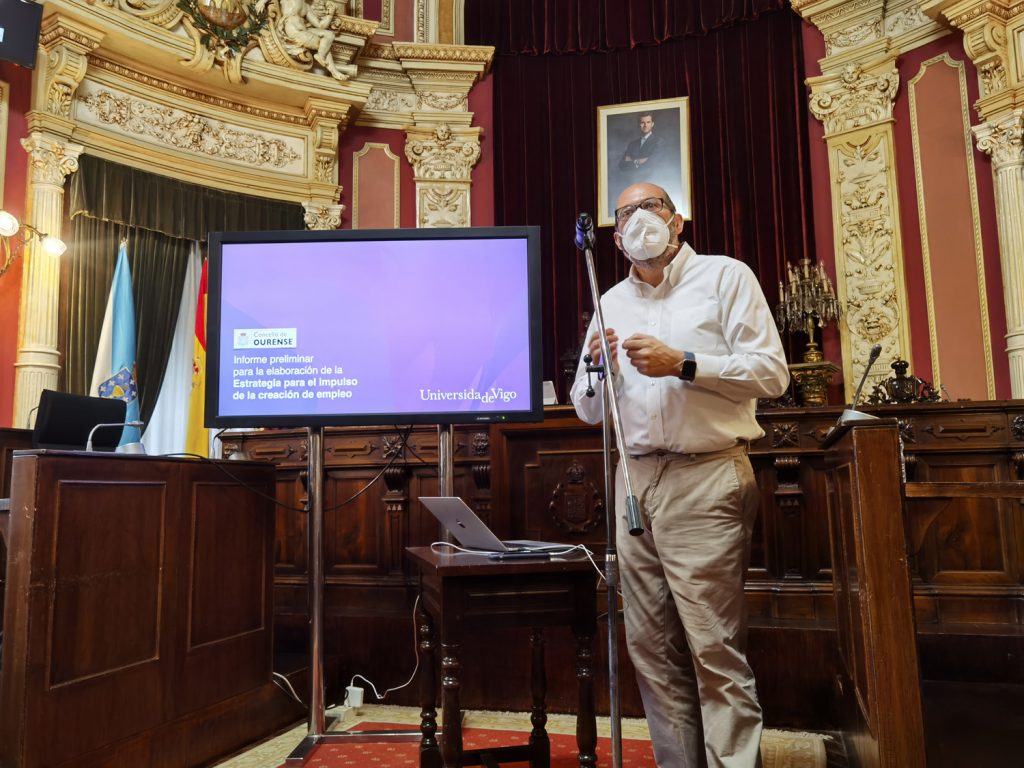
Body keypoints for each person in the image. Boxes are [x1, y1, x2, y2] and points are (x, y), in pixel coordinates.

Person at [570, 182, 789, 768]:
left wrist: (684, 363)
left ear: (678, 221)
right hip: (635, 482)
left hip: (708, 475)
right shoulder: (608, 299)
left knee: (714, 648)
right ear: (616, 239)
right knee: (650, 651)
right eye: (627, 213)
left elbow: (772, 374)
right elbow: (589, 410)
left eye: (653, 207)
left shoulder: (726, 277)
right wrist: (593, 370)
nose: (641, 218)